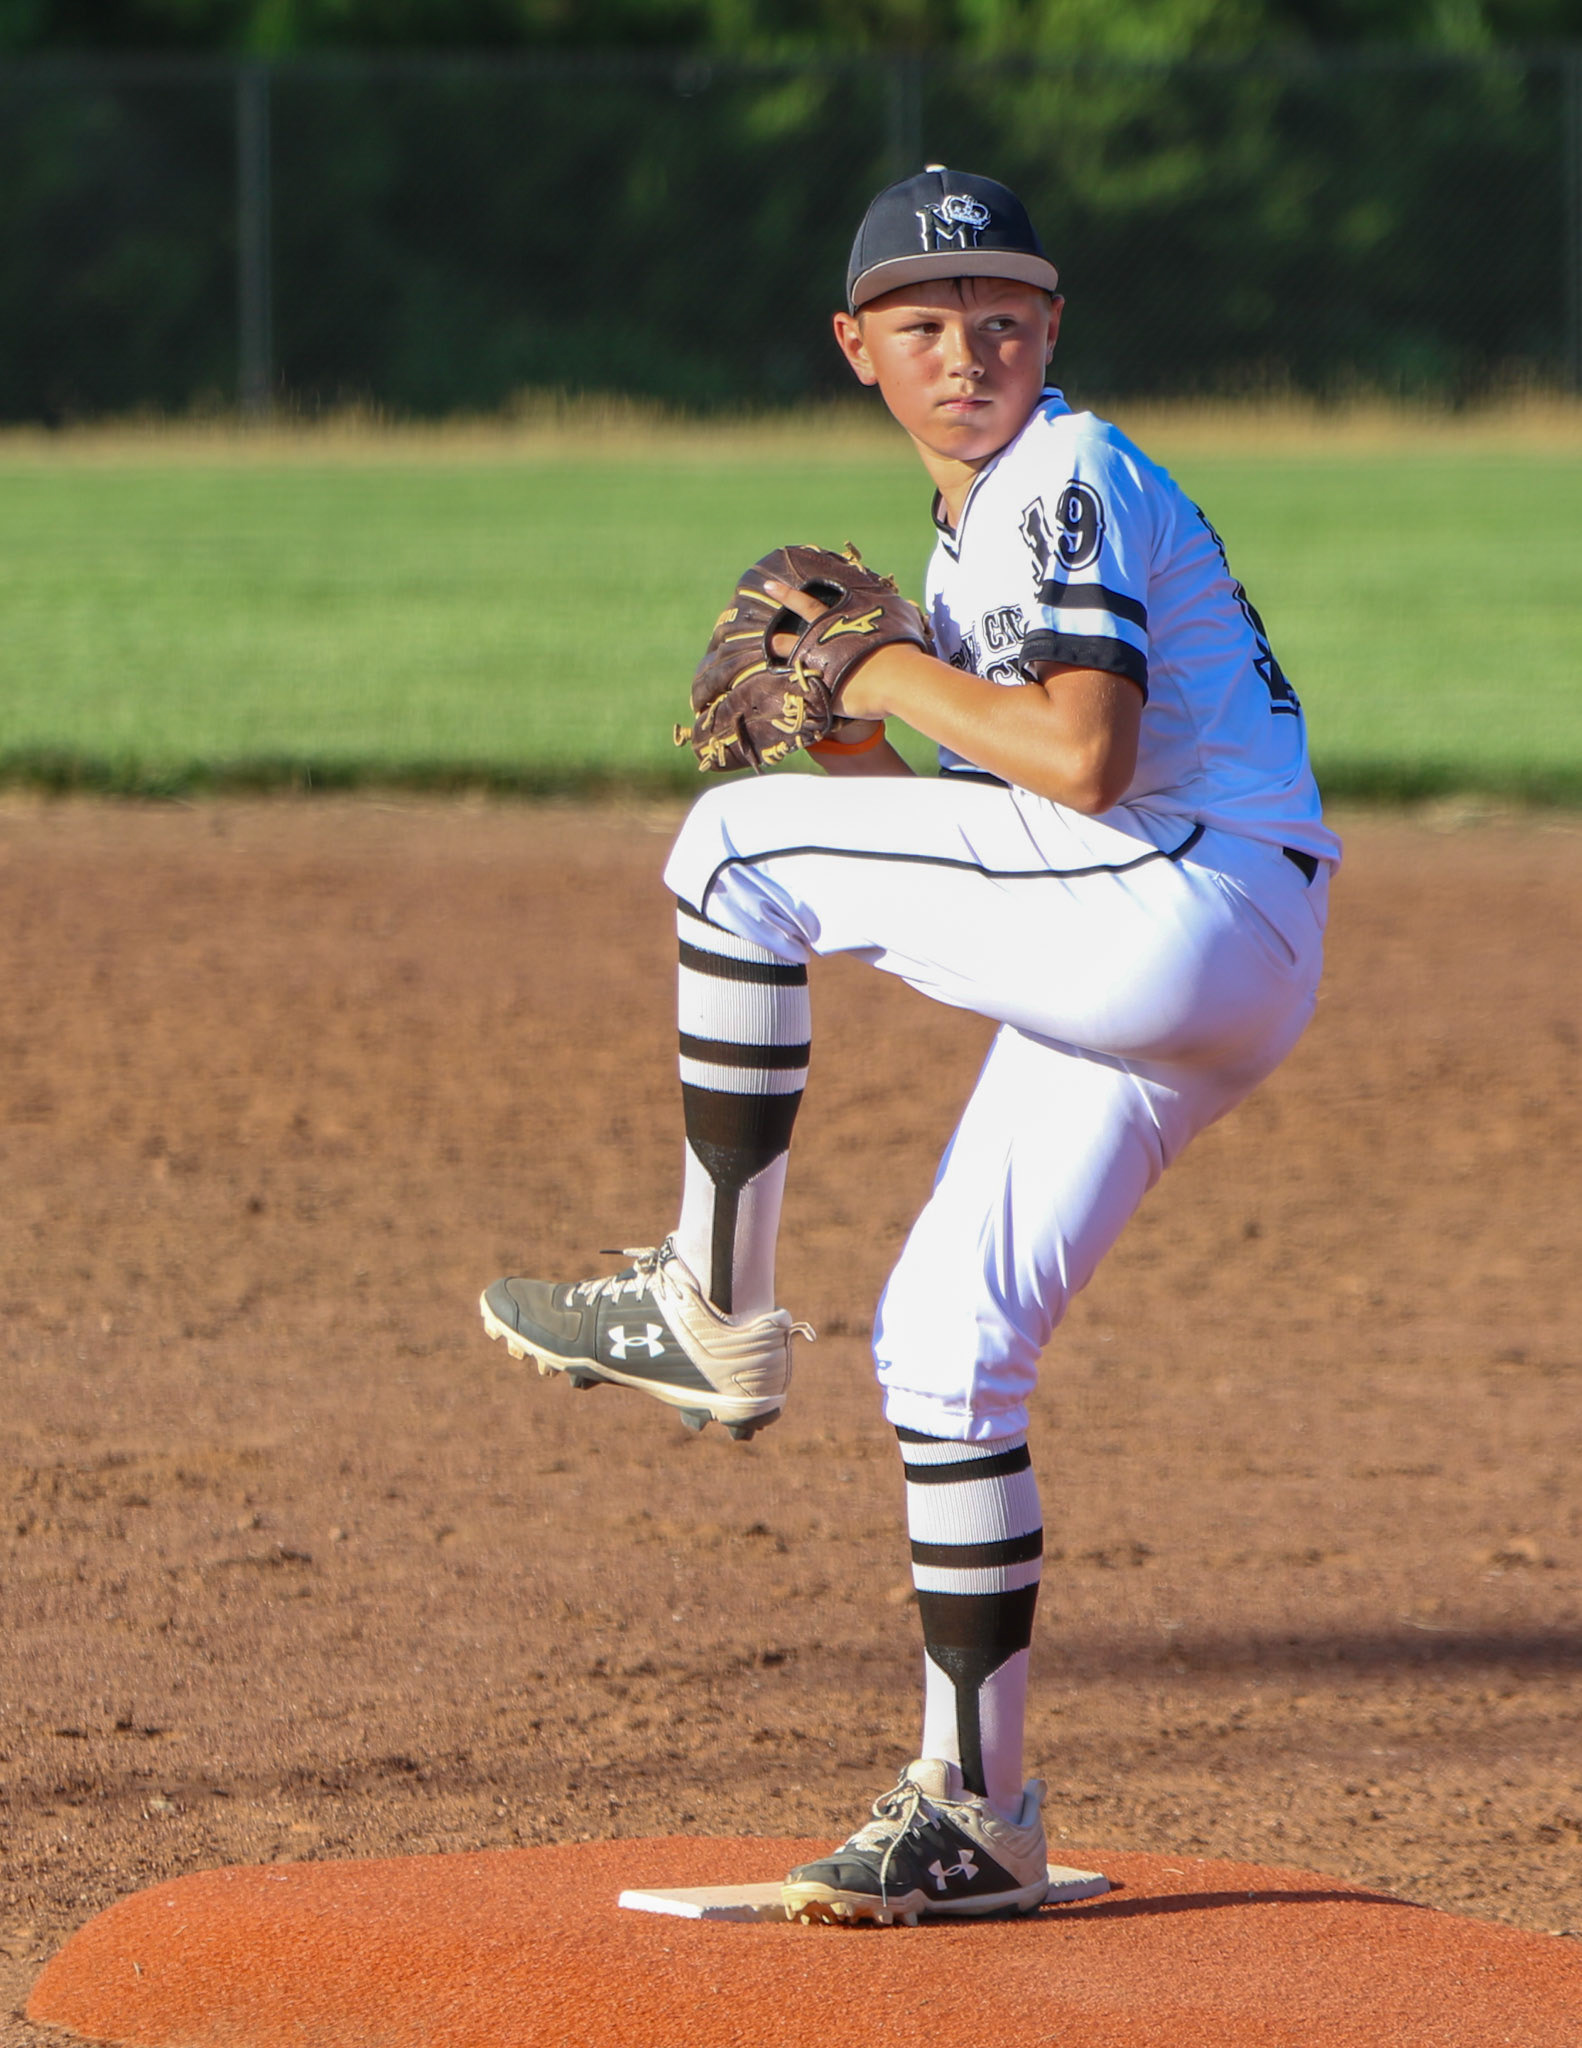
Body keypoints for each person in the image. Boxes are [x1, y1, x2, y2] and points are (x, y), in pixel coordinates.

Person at [480, 165, 1339, 1927]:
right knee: (947, 1353)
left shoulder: (1065, 469)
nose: (971, 349)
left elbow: (1084, 761)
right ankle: (979, 1806)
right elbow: (1001, 803)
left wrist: (866, 677)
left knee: (731, 849)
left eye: (1006, 316)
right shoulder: (985, 525)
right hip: (1191, 939)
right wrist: (867, 718)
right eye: (927, 323)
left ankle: (707, 1306)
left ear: (1054, 330)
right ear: (855, 347)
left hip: (1176, 896)